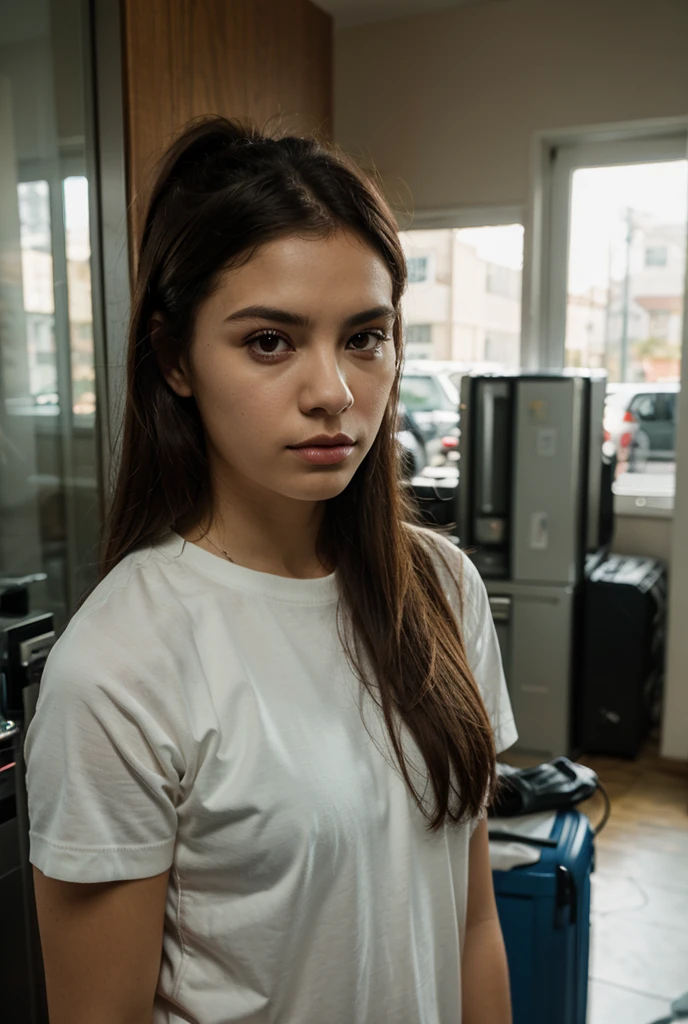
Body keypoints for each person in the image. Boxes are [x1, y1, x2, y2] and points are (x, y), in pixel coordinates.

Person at [24, 116, 518, 1024]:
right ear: (175, 359)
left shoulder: (442, 591)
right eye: (269, 341)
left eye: (366, 336)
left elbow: (473, 922)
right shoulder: (120, 666)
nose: (334, 391)